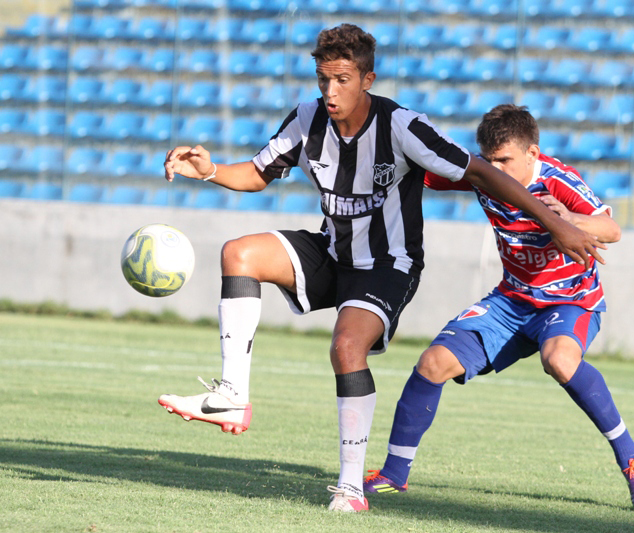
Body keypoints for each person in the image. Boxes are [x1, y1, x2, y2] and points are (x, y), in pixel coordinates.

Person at [157, 25, 606, 513]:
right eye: (323, 79)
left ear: (367, 79)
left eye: (343, 79)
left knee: (347, 346)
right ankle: (231, 393)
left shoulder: (402, 126)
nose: (330, 91)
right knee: (237, 252)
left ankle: (351, 489)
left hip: (389, 265)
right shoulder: (306, 120)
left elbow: (480, 170)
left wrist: (556, 224)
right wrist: (211, 170)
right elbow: (259, 173)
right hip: (333, 251)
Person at [363, 104, 634, 511]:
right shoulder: (486, 177)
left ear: (532, 154)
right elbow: (429, 169)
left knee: (559, 359)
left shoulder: (558, 181)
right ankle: (394, 474)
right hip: (512, 300)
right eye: (490, 160)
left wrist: (570, 219)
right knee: (433, 363)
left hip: (569, 300)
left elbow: (612, 229)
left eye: (505, 160)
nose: (496, 169)